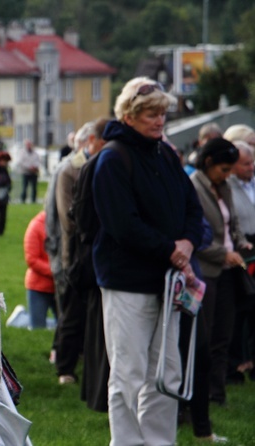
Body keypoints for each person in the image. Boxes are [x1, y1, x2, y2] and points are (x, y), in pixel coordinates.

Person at [93, 77, 204, 445]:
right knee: (128, 372)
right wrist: (171, 249)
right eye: (151, 114)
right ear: (129, 115)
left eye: (162, 113)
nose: (159, 121)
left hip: (168, 279)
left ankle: (159, 441)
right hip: (127, 280)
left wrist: (188, 241)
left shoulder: (166, 153)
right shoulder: (112, 158)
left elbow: (192, 206)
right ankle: (126, 442)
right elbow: (122, 225)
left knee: (166, 370)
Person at [191, 137, 252, 407]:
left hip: (228, 271)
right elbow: (196, 234)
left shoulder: (223, 186)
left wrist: (240, 242)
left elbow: (232, 223)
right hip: (206, 271)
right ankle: (198, 394)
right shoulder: (194, 187)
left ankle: (217, 393)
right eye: (224, 170)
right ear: (208, 163)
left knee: (223, 336)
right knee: (204, 335)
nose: (228, 175)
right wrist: (222, 253)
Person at [54, 119, 108, 387]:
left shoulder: (106, 166)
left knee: (94, 313)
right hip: (77, 253)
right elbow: (68, 219)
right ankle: (65, 366)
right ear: (92, 142)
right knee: (72, 313)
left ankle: (88, 366)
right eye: (105, 142)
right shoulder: (69, 170)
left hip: (97, 251)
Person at [227, 140, 255, 382]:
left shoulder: (252, 183)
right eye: (246, 164)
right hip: (241, 251)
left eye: (252, 162)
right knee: (240, 312)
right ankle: (235, 364)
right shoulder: (228, 187)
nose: (251, 167)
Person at [24, 210, 57, 329]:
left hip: (59, 285)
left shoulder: (64, 223)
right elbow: (32, 259)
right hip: (38, 287)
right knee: (37, 327)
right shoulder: (36, 226)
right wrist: (54, 270)